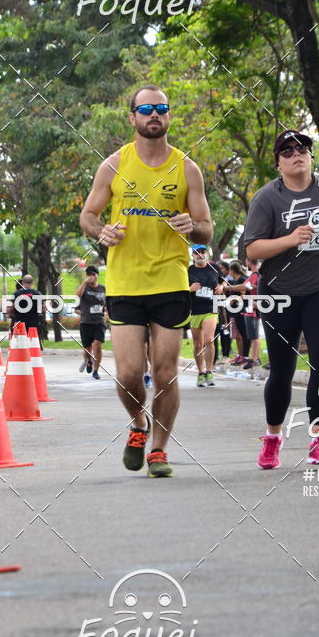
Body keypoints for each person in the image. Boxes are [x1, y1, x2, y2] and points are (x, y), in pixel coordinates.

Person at [80, 84, 213, 477]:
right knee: (127, 373)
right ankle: (139, 424)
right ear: (133, 118)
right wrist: (100, 231)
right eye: (146, 109)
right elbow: (88, 215)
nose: (154, 114)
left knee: (167, 371)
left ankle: (159, 449)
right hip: (124, 282)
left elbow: (206, 228)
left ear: (169, 116)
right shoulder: (113, 165)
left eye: (161, 108)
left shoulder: (187, 168)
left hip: (171, 279)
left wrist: (195, 227)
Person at [242, 128, 319, 470]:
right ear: (278, 163)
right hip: (278, 291)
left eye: (302, 148)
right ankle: (273, 437)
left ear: (311, 156)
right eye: (287, 151)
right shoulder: (268, 198)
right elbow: (253, 249)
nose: (296, 154)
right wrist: (289, 239)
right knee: (282, 370)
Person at [188, 244, 223, 386]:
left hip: (211, 308)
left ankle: (209, 371)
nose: (200, 254)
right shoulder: (188, 270)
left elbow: (222, 282)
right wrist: (189, 288)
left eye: (202, 252)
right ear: (192, 256)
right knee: (198, 344)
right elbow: (179, 288)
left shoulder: (215, 268)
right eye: (196, 252)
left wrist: (221, 287)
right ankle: (201, 372)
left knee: (209, 340)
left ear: (207, 254)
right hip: (195, 309)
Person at [75, 265, 106, 380]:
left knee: (97, 345)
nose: (91, 277)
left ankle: (96, 370)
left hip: (99, 322)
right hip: (86, 322)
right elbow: (76, 296)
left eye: (93, 274)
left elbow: (106, 302)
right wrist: (84, 282)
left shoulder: (103, 288)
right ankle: (88, 360)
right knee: (87, 349)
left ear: (97, 275)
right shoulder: (85, 287)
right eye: (89, 275)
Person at [8, 275, 43, 345]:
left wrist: (12, 314)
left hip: (20, 323)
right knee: (33, 342)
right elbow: (43, 308)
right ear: (32, 283)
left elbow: (10, 308)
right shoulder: (37, 294)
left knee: (21, 343)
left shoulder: (16, 294)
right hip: (34, 323)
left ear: (22, 282)